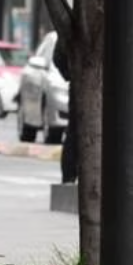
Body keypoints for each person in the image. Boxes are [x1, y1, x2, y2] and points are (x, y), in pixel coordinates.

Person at [52, 37, 78, 182]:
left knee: (75, 132)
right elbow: (58, 57)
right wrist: (72, 74)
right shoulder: (76, 23)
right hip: (81, 85)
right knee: (76, 132)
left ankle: (69, 177)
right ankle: (69, 177)